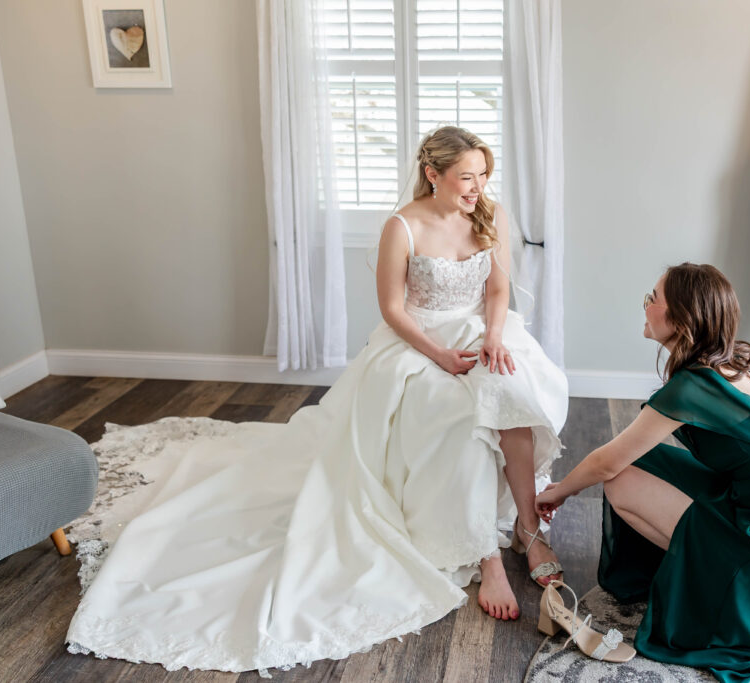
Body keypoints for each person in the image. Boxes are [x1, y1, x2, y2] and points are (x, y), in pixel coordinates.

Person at [65, 126, 568, 674]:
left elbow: (498, 290)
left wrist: (493, 337)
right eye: (466, 177)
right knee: (458, 419)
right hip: (420, 344)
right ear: (433, 174)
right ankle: (485, 555)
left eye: (483, 175)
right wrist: (440, 357)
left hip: (480, 332)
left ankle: (527, 531)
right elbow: (392, 310)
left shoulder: (489, 215)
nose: (477, 187)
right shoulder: (402, 226)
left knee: (514, 401)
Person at [536, 263, 750, 682]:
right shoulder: (742, 360)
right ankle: (697, 561)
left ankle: (710, 576)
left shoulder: (694, 386)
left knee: (618, 480)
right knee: (640, 460)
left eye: (652, 298)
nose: (645, 305)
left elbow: (606, 462)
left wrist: (559, 491)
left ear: (681, 319)